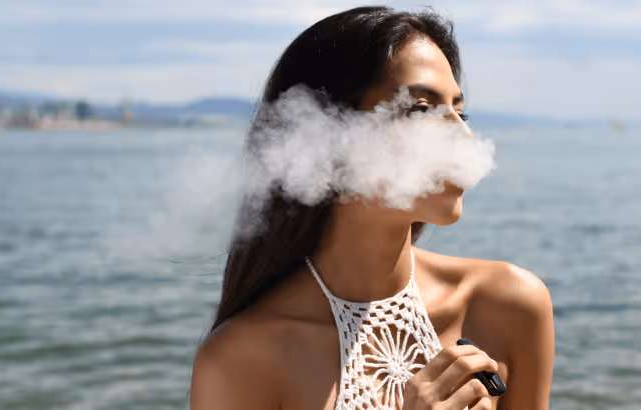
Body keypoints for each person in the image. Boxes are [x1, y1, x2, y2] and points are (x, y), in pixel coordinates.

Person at [189, 6, 555, 410]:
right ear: (323, 136)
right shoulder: (242, 359)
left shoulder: (512, 305)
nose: (464, 134)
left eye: (459, 110)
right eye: (420, 108)